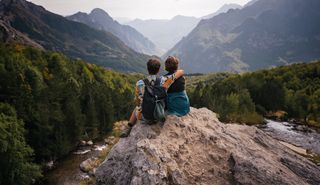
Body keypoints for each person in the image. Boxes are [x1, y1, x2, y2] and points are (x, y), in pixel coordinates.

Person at [120, 58, 184, 137]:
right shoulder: (164, 80)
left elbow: (137, 102)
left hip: (144, 117)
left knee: (137, 107)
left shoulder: (140, 83)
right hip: (159, 114)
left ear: (147, 69)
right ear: (158, 70)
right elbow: (176, 75)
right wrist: (181, 71)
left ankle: (128, 127)